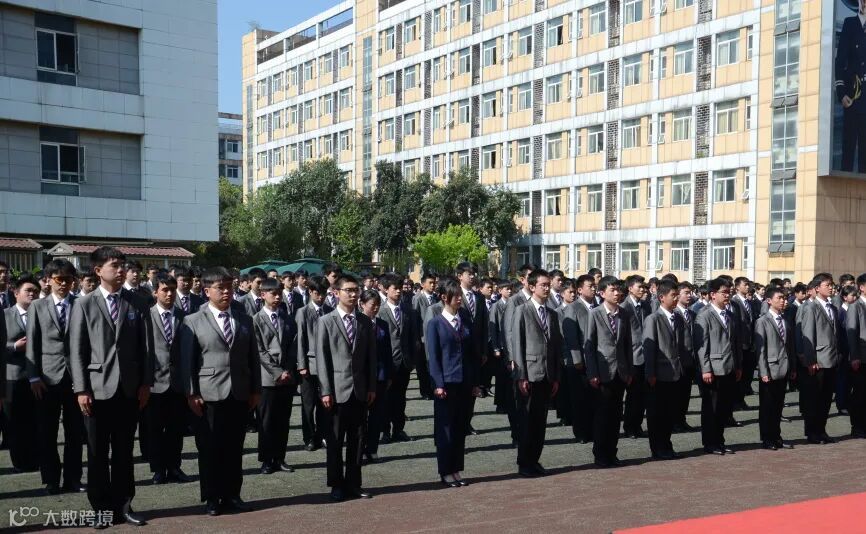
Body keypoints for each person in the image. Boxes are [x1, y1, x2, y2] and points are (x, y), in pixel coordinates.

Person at [69, 246, 153, 526]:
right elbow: (77, 350)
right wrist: (81, 389)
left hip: (129, 389)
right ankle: (101, 509)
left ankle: (124, 505)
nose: (121, 270)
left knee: (124, 451)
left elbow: (147, 348)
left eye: (122, 265)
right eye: (114, 265)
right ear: (98, 270)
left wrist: (146, 383)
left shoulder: (138, 302)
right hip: (96, 389)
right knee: (97, 453)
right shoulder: (84, 304)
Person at [179, 267, 260, 516]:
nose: (226, 292)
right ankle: (212, 497)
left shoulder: (244, 319)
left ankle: (233, 494)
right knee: (210, 448)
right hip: (208, 395)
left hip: (239, 392)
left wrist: (255, 389)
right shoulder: (193, 320)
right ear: (207, 291)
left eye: (229, 287)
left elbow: (253, 358)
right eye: (220, 288)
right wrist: (191, 393)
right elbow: (187, 362)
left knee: (235, 448)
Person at [316, 274, 376, 502]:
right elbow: (322, 359)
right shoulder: (326, 321)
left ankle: (353, 483)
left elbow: (371, 358)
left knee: (358, 440)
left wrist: (371, 387)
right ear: (336, 292)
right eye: (348, 290)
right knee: (335, 441)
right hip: (336, 391)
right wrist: (325, 390)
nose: (353, 294)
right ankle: (336, 484)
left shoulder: (365, 322)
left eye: (355, 290)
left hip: (360, 390)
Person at [26, 260, 84, 494]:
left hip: (76, 377)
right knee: (47, 432)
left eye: (69, 280)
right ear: (48, 280)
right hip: (46, 378)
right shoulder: (37, 306)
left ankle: (73, 479)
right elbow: (32, 343)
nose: (64, 284)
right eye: (59, 279)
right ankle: (51, 479)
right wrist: (33, 377)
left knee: (75, 432)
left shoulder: (81, 304)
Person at [426, 277, 479, 487]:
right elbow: (433, 357)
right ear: (444, 297)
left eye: (460, 295)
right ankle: (445, 470)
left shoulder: (465, 320)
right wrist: (438, 384)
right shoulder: (435, 323)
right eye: (455, 296)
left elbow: (472, 354)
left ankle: (456, 469)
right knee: (445, 428)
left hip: (464, 382)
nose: (459, 299)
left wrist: (475, 382)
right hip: (446, 383)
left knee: (460, 427)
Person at [512, 269, 561, 477]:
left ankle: (535, 459)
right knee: (527, 421)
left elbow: (556, 347)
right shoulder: (522, 310)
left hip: (547, 374)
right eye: (543, 285)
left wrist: (556, 376)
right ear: (532, 287)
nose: (547, 288)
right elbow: (517, 344)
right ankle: (524, 462)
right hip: (530, 373)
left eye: (548, 285)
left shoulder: (552, 314)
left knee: (541, 421)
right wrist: (521, 375)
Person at [147, 273, 192, 484]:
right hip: (154, 382)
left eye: (172, 290)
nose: (169, 294)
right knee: (154, 429)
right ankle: (158, 469)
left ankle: (174, 467)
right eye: (165, 290)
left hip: (178, 382)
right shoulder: (146, 316)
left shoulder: (186, 317)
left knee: (176, 429)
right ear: (155, 292)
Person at [585, 278, 633, 468]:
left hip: (620, 372)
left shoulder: (624, 314)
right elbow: (589, 347)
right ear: (602, 293)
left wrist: (629, 370)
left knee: (616, 415)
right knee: (602, 416)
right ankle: (600, 454)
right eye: (612, 290)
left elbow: (628, 345)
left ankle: (612, 453)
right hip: (602, 372)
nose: (617, 293)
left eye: (618, 290)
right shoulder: (595, 314)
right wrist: (592, 372)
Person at [253, 277, 297, 475]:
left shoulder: (288, 319)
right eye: (273, 293)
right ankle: (266, 459)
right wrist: (277, 372)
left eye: (280, 293)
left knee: (282, 421)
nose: (278, 297)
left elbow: (293, 346)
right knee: (266, 421)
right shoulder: (256, 319)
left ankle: (280, 457)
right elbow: (259, 351)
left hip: (287, 378)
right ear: (263, 295)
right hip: (267, 379)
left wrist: (287, 370)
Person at [693, 277, 742, 456]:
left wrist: (738, 365)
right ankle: (710, 443)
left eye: (729, 292)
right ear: (713, 294)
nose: (727, 295)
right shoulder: (704, 315)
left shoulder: (730, 315)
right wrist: (705, 368)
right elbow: (701, 345)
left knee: (723, 408)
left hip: (729, 367)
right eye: (724, 292)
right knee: (711, 408)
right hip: (713, 369)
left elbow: (735, 343)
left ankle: (719, 441)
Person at [642, 280, 687, 460]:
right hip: (658, 375)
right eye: (673, 295)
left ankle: (667, 445)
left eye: (677, 295)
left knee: (669, 413)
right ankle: (658, 448)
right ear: (661, 297)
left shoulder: (678, 318)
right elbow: (649, 349)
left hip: (675, 373)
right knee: (656, 414)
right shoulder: (653, 319)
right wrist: (650, 373)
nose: (676, 298)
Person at [798, 273, 841, 444]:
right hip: (817, 360)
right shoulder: (811, 308)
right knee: (813, 399)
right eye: (827, 285)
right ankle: (812, 432)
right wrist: (810, 360)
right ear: (817, 288)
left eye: (831, 284)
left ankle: (821, 430)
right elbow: (808, 335)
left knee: (826, 399)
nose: (831, 287)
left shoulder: (833, 308)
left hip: (831, 359)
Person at [754, 286, 796, 450]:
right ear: (769, 301)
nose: (783, 301)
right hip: (770, 370)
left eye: (784, 298)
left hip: (783, 368)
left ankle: (776, 436)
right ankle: (767, 438)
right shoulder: (762, 321)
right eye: (779, 298)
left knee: (778, 405)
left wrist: (792, 367)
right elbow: (760, 349)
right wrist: (763, 371)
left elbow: (790, 347)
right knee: (767, 406)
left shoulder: (785, 320)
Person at [378, 273, 417, 443]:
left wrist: (412, 359)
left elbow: (413, 337)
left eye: (401, 288)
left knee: (400, 398)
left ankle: (398, 429)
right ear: (386, 290)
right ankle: (384, 430)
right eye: (395, 288)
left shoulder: (408, 310)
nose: (399, 291)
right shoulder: (380, 311)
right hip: (387, 362)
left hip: (404, 362)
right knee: (385, 398)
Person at [295, 275, 333, 451]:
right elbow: (300, 340)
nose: (321, 296)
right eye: (317, 293)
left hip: (327, 365)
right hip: (309, 365)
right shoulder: (302, 312)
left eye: (324, 292)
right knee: (308, 404)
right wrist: (302, 365)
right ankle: (309, 437)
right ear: (310, 292)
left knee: (325, 402)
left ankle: (323, 434)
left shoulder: (330, 310)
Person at [5, 276, 38, 473]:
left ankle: (35, 459)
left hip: (38, 377)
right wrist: (14, 346)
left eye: (35, 291)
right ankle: (20, 461)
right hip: (13, 376)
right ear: (16, 293)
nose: (32, 294)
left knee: (36, 421)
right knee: (16, 422)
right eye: (28, 290)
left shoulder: (41, 313)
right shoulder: (5, 315)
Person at [360, 290, 392, 463]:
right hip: (362, 377)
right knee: (361, 417)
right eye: (372, 305)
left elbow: (387, 351)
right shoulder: (357, 322)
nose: (375, 308)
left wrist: (388, 375)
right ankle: (360, 450)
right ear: (362, 304)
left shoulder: (382, 324)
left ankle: (372, 449)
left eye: (378, 305)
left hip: (380, 376)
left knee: (376, 415)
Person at [835, 0, 866, 172]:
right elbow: (840, 61)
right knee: (847, 152)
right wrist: (841, 93)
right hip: (853, 97)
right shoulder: (849, 24)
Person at [621, 275, 650, 439]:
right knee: (632, 395)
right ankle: (629, 427)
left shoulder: (646, 305)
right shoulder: (624, 307)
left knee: (643, 394)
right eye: (639, 286)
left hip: (646, 355)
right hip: (632, 356)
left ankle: (637, 425)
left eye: (643, 286)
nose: (642, 289)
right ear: (630, 288)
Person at [673, 282, 697, 432]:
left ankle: (681, 419)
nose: (690, 296)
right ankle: (675, 421)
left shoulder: (692, 314)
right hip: (678, 360)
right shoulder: (673, 314)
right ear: (677, 294)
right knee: (676, 394)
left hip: (690, 360)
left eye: (690, 293)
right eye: (686, 293)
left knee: (686, 393)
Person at [846, 273, 866, 438]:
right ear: (862, 287)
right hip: (861, 357)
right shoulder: (855, 306)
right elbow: (851, 333)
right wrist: (854, 356)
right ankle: (857, 427)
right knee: (860, 393)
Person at [413, 272, 438, 401]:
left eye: (434, 283)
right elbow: (415, 318)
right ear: (423, 284)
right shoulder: (418, 298)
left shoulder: (435, 298)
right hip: (422, 337)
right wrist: (417, 338)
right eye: (430, 283)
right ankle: (425, 391)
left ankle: (432, 388)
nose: (433, 285)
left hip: (433, 336)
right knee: (422, 366)